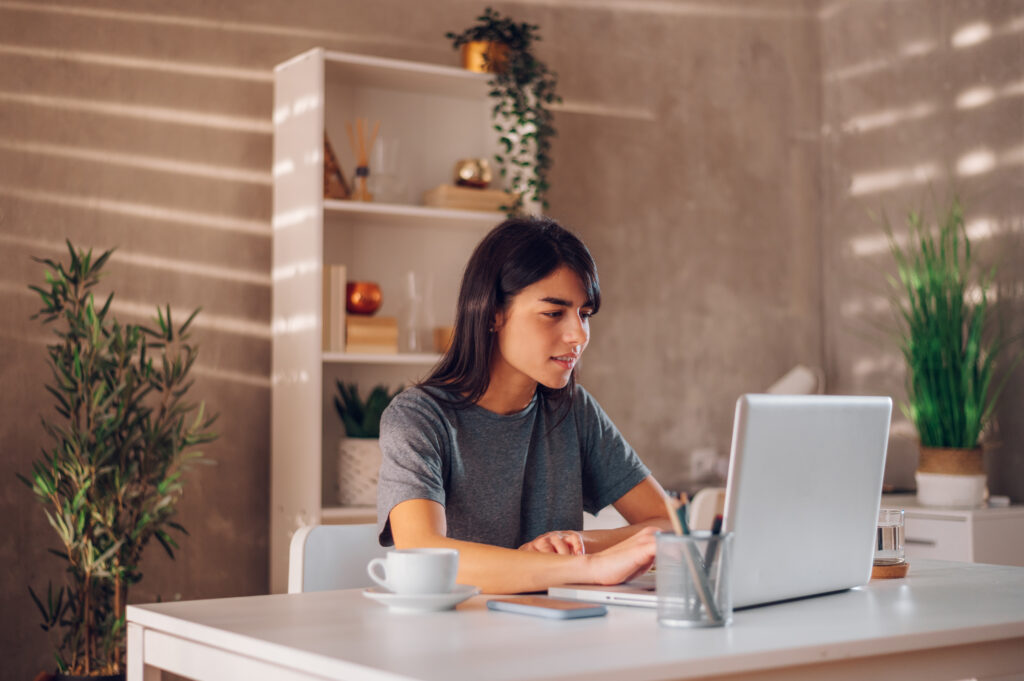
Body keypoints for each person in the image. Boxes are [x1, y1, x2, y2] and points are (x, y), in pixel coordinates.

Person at [377, 216, 671, 593]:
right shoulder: (417, 419)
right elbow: (424, 553)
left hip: (552, 631)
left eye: (585, 314)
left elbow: (668, 525)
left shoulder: (574, 410)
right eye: (553, 313)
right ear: (492, 313)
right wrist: (589, 567)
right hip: (454, 637)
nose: (578, 335)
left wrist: (580, 546)